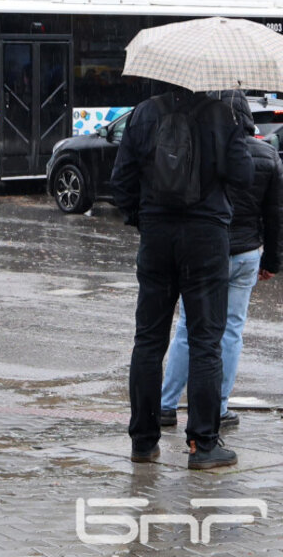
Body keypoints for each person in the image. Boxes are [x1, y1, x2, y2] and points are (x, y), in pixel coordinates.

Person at [111, 84, 252, 469]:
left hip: (157, 237)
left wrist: (145, 220)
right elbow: (243, 174)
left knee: (148, 340)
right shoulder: (222, 115)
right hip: (206, 238)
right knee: (207, 340)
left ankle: (143, 441)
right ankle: (203, 445)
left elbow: (120, 181)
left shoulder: (143, 114)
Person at [159, 90, 283, 428]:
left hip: (203, 250)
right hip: (245, 255)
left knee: (188, 327)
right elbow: (275, 217)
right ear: (247, 117)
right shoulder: (268, 157)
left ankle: (166, 405)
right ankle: (219, 408)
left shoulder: (204, 148)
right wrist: (272, 261)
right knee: (230, 331)